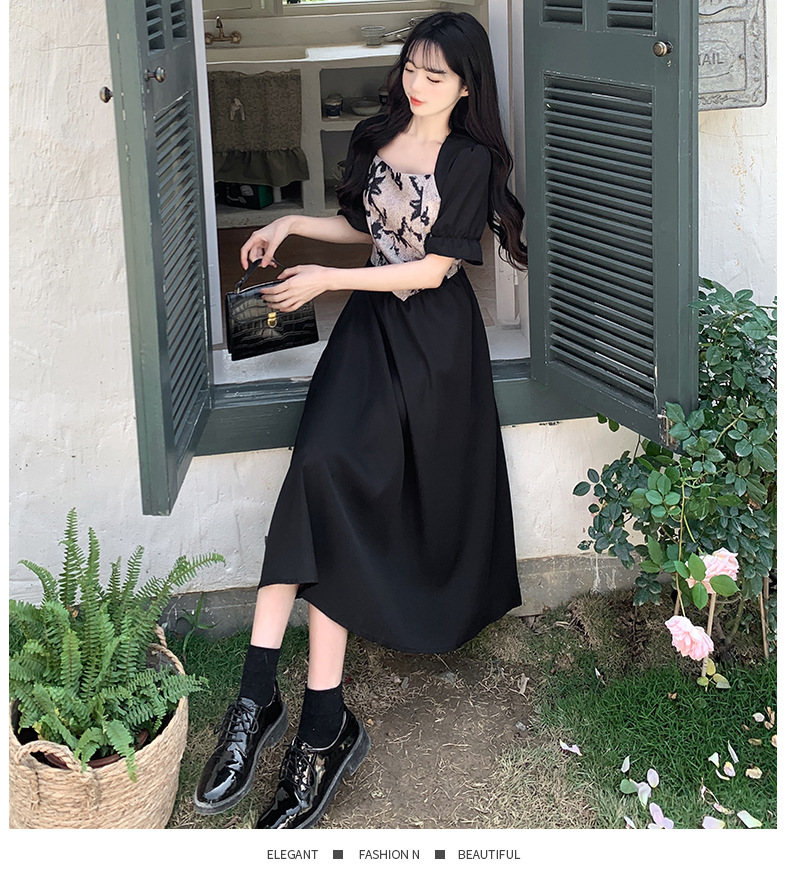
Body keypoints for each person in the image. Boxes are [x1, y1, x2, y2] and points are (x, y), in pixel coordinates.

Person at [194, 10, 528, 830]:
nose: (416, 84)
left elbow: (431, 270)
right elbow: (365, 226)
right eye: (411, 67)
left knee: (336, 485)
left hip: (434, 348)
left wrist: (326, 281)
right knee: (317, 471)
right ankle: (266, 704)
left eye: (435, 75)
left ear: (467, 86)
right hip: (369, 334)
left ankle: (313, 724)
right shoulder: (378, 134)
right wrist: (289, 224)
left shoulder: (471, 160)